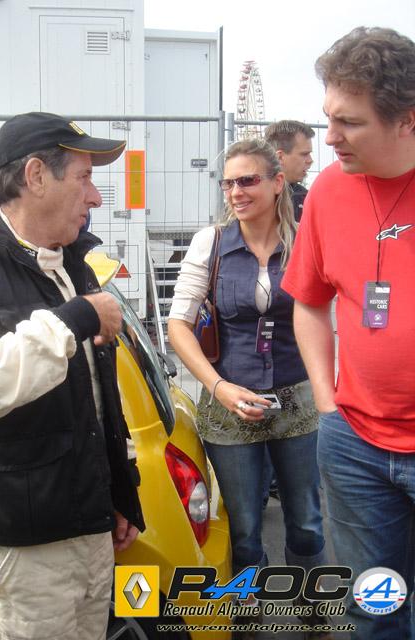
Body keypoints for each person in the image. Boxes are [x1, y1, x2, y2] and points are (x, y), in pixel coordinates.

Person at [0, 111, 144, 640]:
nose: (95, 198)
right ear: (35, 176)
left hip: (89, 530)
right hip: (23, 552)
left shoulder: (72, 264)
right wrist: (73, 321)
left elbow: (95, 397)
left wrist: (119, 490)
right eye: (84, 177)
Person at [281, 27, 415, 640]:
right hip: (354, 443)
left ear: (407, 119)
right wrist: (327, 402)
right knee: (374, 608)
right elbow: (309, 303)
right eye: (328, 117)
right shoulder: (329, 191)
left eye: (349, 123)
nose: (329, 137)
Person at [168, 138, 330, 638]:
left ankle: (313, 608)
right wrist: (217, 387)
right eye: (228, 183)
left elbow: (331, 313)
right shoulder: (211, 243)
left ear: (278, 183)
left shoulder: (305, 239)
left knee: (306, 521)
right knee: (243, 529)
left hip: (297, 398)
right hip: (228, 403)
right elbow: (178, 326)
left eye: (247, 180)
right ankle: (250, 614)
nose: (235, 192)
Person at [264, 120, 315, 221]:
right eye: (304, 154)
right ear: (280, 157)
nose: (310, 160)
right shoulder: (254, 197)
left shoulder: (305, 198)